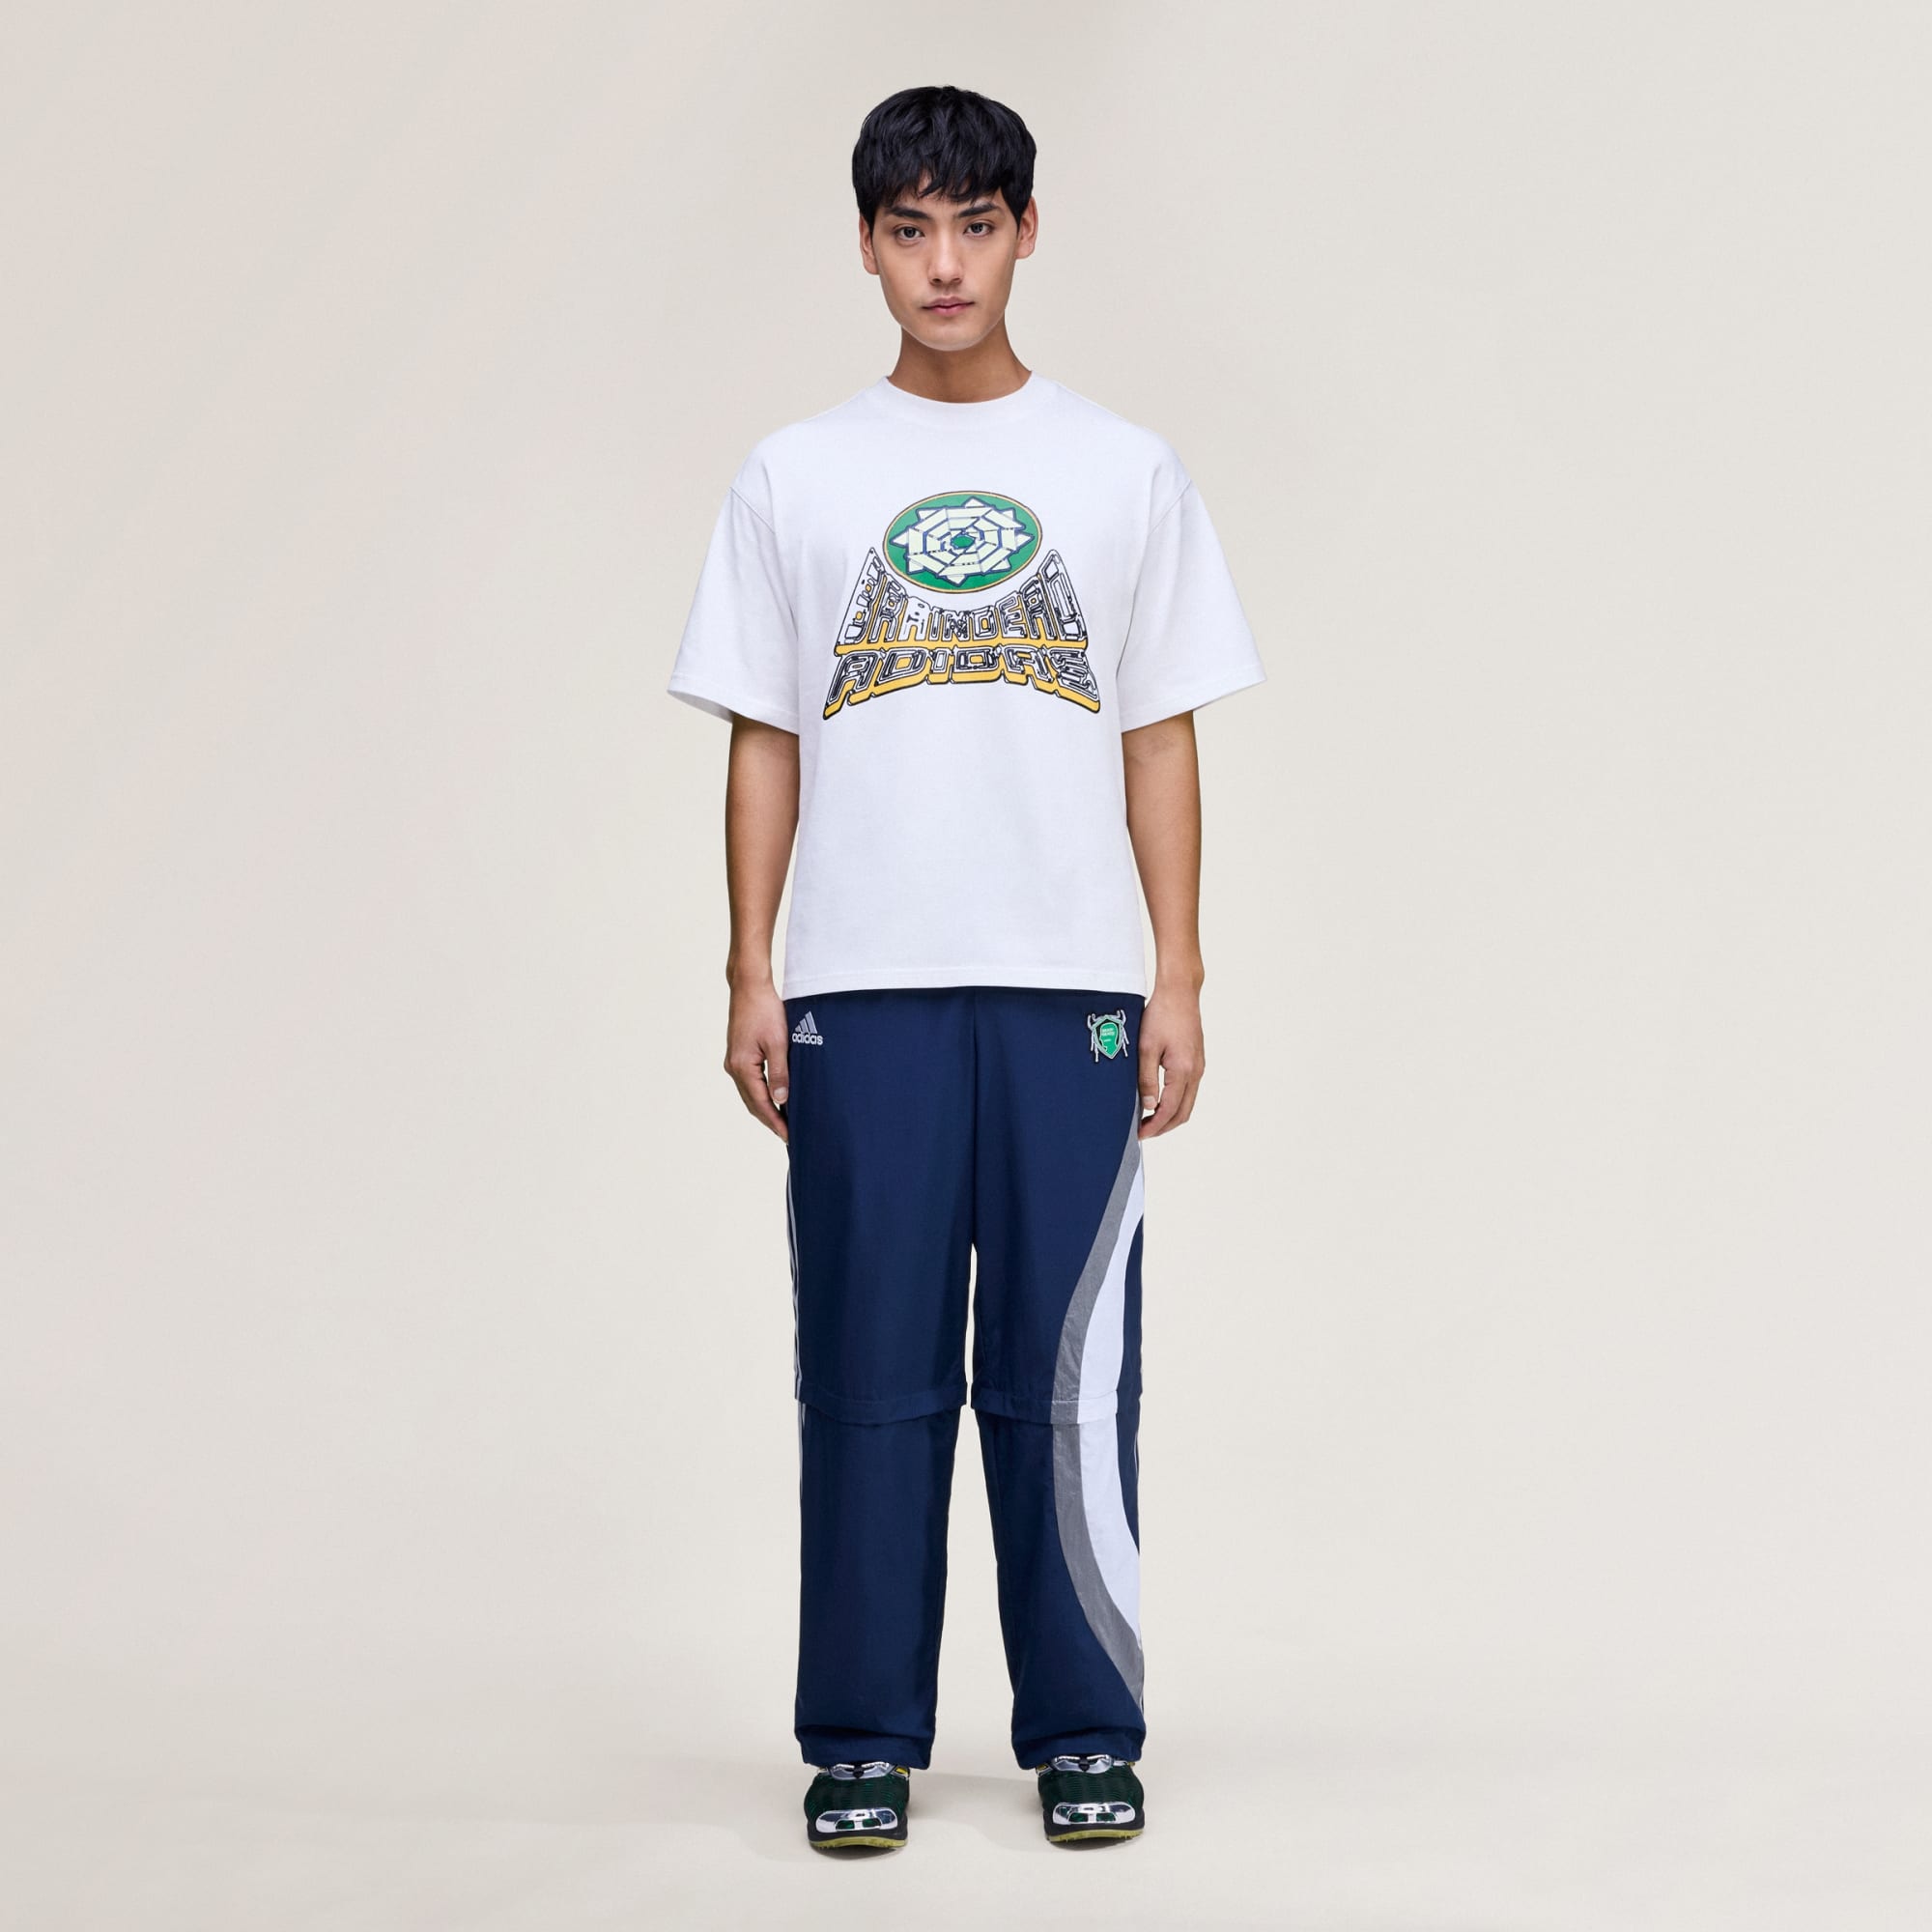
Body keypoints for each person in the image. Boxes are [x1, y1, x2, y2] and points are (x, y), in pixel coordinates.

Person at [667, 83, 1264, 1854]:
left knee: (1070, 1372)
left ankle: (1084, 1729)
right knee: (870, 1368)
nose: (945, 263)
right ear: (866, 245)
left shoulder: (1122, 468)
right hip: (862, 985)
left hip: (1069, 984)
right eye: (910, 228)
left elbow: (1158, 732)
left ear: (1026, 235)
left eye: (976, 226)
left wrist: (1177, 975)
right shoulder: (796, 474)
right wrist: (750, 969)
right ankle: (861, 1737)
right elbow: (765, 737)